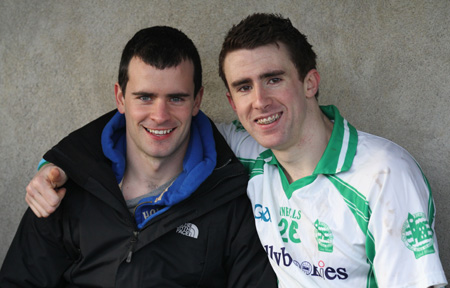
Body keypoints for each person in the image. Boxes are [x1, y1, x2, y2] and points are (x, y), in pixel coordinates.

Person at [22, 13, 448, 287]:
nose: (259, 101)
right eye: (244, 87)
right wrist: (57, 164)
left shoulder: (382, 174)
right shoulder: (245, 148)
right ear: (229, 101)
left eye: (274, 79)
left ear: (310, 82)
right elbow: (149, 125)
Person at [0, 26, 277, 287]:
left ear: (197, 101)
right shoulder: (66, 185)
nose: (159, 115)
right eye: (144, 97)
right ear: (120, 98)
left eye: (176, 98)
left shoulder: (230, 196)